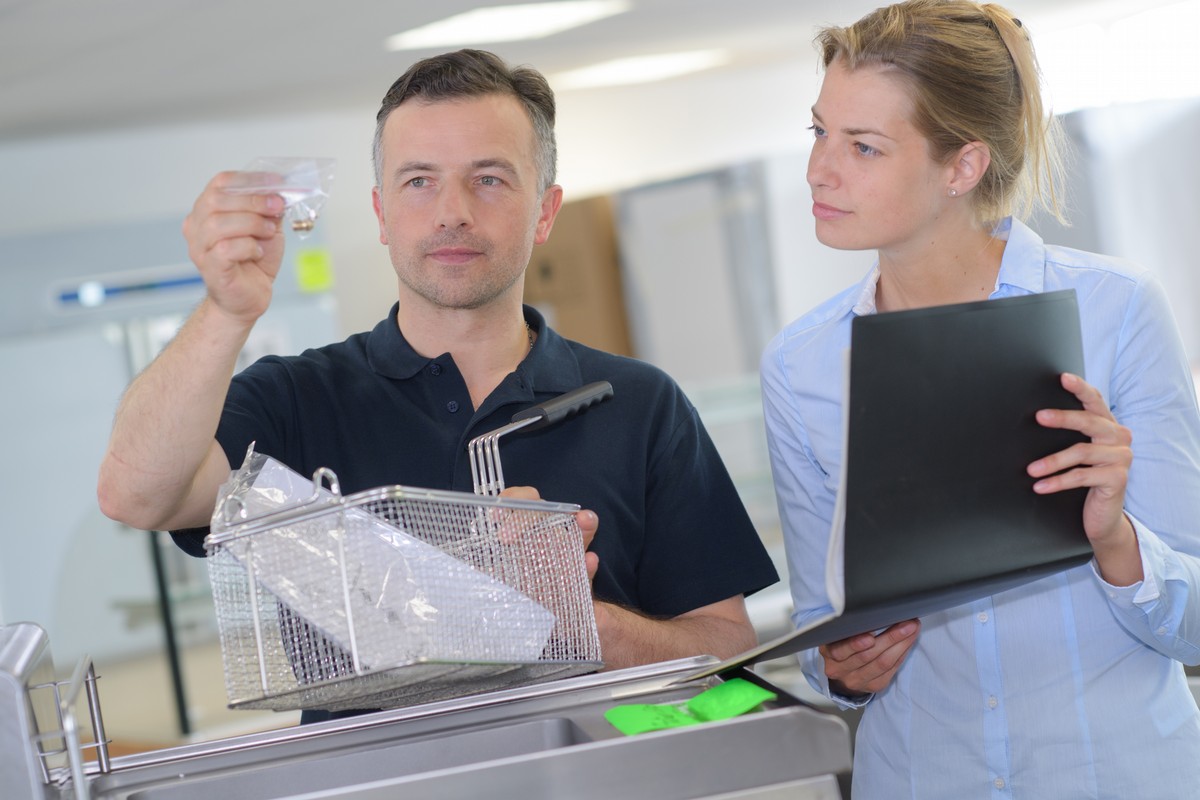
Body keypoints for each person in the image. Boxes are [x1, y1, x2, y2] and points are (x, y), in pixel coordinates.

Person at [98, 49, 777, 721]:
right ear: (381, 213)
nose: (452, 212)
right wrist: (227, 310)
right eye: (419, 181)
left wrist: (580, 624)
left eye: (489, 179)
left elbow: (728, 657)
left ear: (544, 212)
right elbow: (134, 493)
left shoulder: (640, 404)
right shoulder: (295, 400)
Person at [760, 1, 1200, 797]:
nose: (819, 170)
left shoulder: (1116, 309)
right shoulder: (801, 366)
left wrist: (1118, 538)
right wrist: (844, 669)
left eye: (863, 146)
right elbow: (819, 633)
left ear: (961, 166)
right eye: (818, 131)